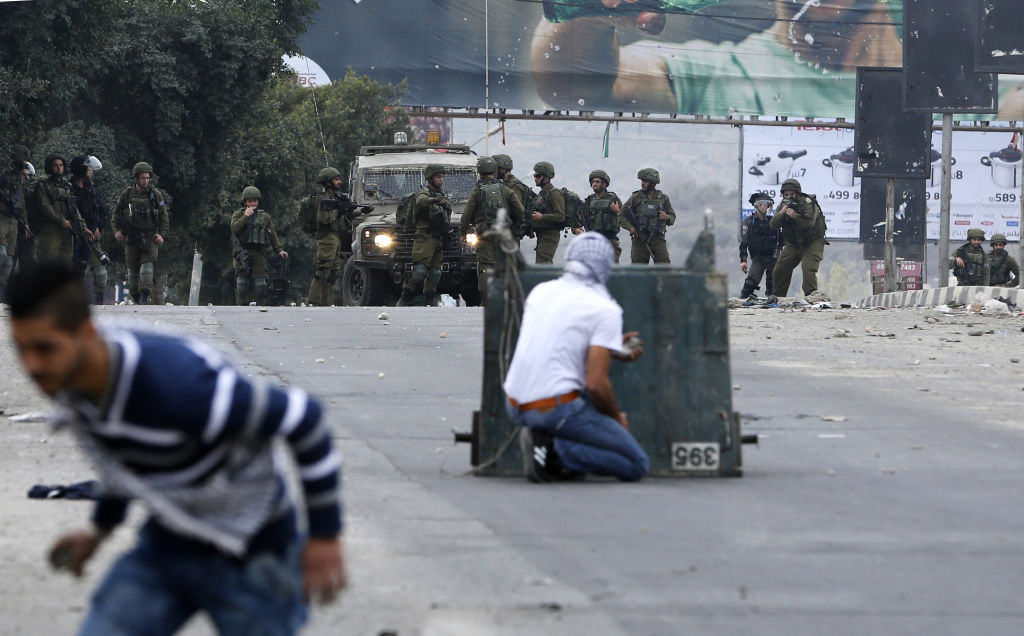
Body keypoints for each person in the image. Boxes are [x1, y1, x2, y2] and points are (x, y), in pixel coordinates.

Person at [6, 259, 346, 635]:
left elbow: (304, 419)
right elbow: (123, 461)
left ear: (86, 333)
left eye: (44, 349)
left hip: (252, 553)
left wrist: (324, 536)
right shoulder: (76, 386)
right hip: (168, 542)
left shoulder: (180, 387)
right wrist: (98, 533)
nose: (31, 366)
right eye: (21, 349)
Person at [504, 232, 649, 483]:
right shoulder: (605, 309)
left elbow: (559, 344)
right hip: (552, 409)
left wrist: (609, 347)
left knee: (578, 397)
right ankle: (552, 453)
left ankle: (546, 440)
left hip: (514, 405)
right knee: (636, 464)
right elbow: (596, 384)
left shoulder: (541, 291)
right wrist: (617, 419)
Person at [459, 156, 525, 302]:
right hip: (504, 233)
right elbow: (520, 211)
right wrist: (515, 226)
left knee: (485, 267)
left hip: (485, 234)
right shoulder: (506, 190)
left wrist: (464, 232)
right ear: (495, 171)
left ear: (480, 172)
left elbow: (466, 216)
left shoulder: (477, 191)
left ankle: (485, 300)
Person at [307, 167, 367, 306]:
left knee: (333, 272)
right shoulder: (323, 199)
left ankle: (326, 302)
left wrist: (362, 211)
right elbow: (323, 219)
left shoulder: (336, 198)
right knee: (324, 269)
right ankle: (314, 299)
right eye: (336, 179)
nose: (339, 182)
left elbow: (345, 218)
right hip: (326, 238)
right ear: (328, 182)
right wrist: (338, 211)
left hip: (336, 237)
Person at [112, 162, 169, 305]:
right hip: (132, 236)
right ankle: (136, 297)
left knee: (146, 269)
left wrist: (161, 234)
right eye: (143, 178)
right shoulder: (127, 194)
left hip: (150, 237)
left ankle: (145, 297)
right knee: (132, 272)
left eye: (147, 178)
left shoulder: (155, 195)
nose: (145, 181)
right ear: (136, 178)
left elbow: (164, 216)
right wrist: (117, 231)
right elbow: (116, 215)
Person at [399, 163, 451, 306]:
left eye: (442, 177)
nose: (441, 180)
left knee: (435, 273)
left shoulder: (441, 195)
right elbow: (421, 201)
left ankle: (429, 301)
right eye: (438, 177)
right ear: (430, 178)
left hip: (438, 238)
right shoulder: (423, 193)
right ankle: (404, 298)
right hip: (424, 238)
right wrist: (435, 200)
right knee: (419, 271)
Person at [769, 178, 827, 297]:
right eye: (786, 195)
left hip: (813, 241)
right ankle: (778, 297)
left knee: (808, 267)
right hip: (795, 243)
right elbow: (773, 225)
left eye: (792, 194)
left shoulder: (807, 203)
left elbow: (809, 224)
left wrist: (795, 216)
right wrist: (781, 214)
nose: (789, 197)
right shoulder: (783, 205)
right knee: (780, 269)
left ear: (797, 193)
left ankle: (811, 296)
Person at [231, 186, 288, 305]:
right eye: (250, 201)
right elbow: (234, 229)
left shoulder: (264, 217)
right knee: (241, 285)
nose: (253, 203)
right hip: (242, 252)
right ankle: (241, 306)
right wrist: (245, 216)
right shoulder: (238, 214)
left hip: (258, 253)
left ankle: (260, 306)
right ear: (245, 202)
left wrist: (279, 250)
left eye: (255, 200)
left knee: (261, 285)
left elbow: (272, 235)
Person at [33, 154, 90, 263]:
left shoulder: (67, 185)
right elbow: (44, 206)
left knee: (65, 263)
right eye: (55, 165)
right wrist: (61, 220)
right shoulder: (43, 185)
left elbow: (74, 208)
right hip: (51, 229)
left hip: (68, 230)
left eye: (61, 165)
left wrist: (83, 227)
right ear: (49, 167)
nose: (59, 168)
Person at [69, 155, 110, 304]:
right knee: (77, 270)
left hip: (92, 237)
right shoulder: (69, 189)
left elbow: (102, 211)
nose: (91, 171)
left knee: (100, 273)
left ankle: (99, 303)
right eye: (88, 169)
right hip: (74, 237)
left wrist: (99, 227)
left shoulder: (90, 189)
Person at [622, 168, 675, 264]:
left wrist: (667, 217)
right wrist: (630, 228)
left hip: (658, 238)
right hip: (639, 238)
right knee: (638, 268)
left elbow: (672, 217)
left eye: (645, 181)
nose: (642, 183)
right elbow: (621, 215)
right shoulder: (635, 197)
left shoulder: (663, 198)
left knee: (664, 266)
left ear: (653, 183)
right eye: (642, 181)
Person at [0, 145, 32, 301]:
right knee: (1, 253)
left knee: (9, 262)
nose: (25, 162)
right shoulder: (3, 173)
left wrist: (25, 223)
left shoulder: (19, 178)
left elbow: (21, 203)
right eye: (24, 159)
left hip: (14, 220)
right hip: (2, 217)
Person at [738, 191, 782, 298]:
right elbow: (744, 242)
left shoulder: (773, 221)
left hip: (773, 258)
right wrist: (743, 260)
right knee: (749, 285)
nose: (763, 207)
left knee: (773, 287)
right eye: (761, 204)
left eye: (766, 204)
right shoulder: (748, 222)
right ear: (756, 206)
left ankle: (771, 301)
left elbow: (781, 240)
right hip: (758, 259)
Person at [578, 169, 624, 262]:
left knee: (612, 268)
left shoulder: (612, 198)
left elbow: (625, 217)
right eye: (593, 182)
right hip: (593, 242)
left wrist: (617, 211)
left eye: (597, 182)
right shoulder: (589, 200)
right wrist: (576, 228)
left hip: (610, 240)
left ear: (604, 184)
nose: (594, 184)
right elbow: (580, 217)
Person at [528, 161, 565, 264]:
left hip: (550, 235)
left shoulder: (554, 194)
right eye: (535, 176)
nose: (535, 178)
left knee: (543, 264)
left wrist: (542, 217)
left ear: (547, 178)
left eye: (538, 176)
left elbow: (560, 216)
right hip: (542, 234)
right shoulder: (542, 194)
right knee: (542, 264)